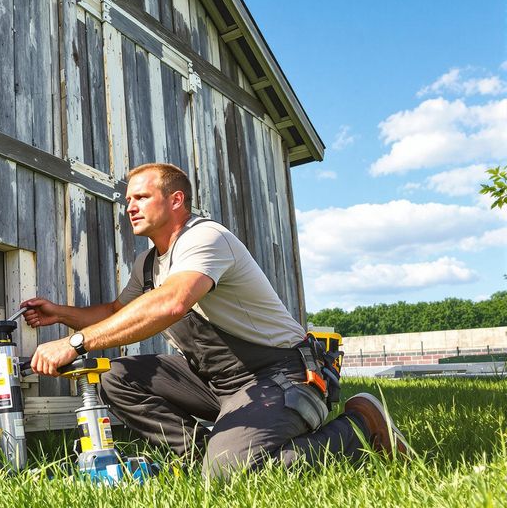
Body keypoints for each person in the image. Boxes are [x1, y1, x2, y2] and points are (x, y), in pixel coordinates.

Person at [23, 162, 409, 479]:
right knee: (115, 377)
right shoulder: (148, 263)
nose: (130, 207)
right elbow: (115, 314)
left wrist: (75, 343)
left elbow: (173, 303)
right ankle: (202, 459)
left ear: (176, 200)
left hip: (280, 374)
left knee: (232, 475)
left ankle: (359, 426)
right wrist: (61, 314)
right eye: (128, 200)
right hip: (217, 381)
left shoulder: (206, 238)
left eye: (141, 197)